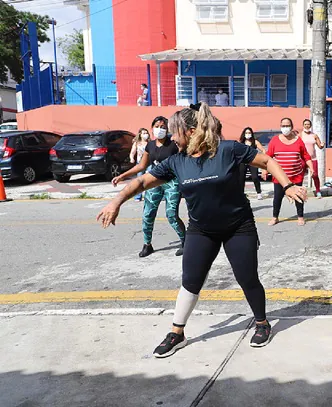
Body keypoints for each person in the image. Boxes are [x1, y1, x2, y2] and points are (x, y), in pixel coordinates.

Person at [97, 102, 307, 357]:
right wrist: (116, 201)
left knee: (247, 278)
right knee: (190, 282)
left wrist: (286, 186)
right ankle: (177, 332)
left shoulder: (228, 150)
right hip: (201, 230)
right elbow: (142, 181)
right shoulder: (176, 162)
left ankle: (262, 323)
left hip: (238, 227)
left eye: (175, 132)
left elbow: (267, 161)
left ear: (192, 131)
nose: (172, 137)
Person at [112, 116, 186, 257]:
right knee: (147, 214)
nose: (160, 129)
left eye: (163, 127)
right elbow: (142, 165)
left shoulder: (173, 144)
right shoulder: (150, 145)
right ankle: (147, 244)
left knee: (171, 214)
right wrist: (122, 176)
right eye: (157, 126)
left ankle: (185, 241)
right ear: (152, 128)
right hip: (154, 181)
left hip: (171, 182)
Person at [265, 117, 313, 226]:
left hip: (296, 176)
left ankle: (300, 217)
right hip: (279, 178)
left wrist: (312, 168)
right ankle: (275, 217)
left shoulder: (298, 140)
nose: (285, 128)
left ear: (291, 127)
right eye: (283, 125)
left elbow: (306, 156)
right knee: (277, 198)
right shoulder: (275, 140)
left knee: (299, 197)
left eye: (287, 126)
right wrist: (264, 170)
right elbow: (268, 157)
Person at [239, 127, 266, 200]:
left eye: (249, 133)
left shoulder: (255, 142)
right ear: (244, 134)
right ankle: (241, 194)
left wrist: (262, 157)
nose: (248, 134)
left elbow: (263, 150)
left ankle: (259, 193)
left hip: (253, 161)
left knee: (255, 177)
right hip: (243, 162)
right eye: (246, 133)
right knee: (241, 178)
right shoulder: (241, 142)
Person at [300, 119, 325, 198]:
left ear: (310, 126)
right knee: (300, 175)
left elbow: (320, 146)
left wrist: (322, 145)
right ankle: (299, 191)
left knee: (315, 175)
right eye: (305, 124)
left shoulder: (314, 135)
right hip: (302, 159)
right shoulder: (300, 135)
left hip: (313, 158)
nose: (307, 126)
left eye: (308, 124)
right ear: (303, 125)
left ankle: (318, 191)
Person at [129, 128, 150, 202]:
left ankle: (148, 196)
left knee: (149, 180)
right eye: (143, 133)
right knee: (139, 180)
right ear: (140, 134)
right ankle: (138, 196)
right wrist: (132, 158)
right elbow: (132, 152)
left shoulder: (150, 143)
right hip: (140, 163)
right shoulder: (137, 143)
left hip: (149, 163)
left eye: (146, 133)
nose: (145, 135)